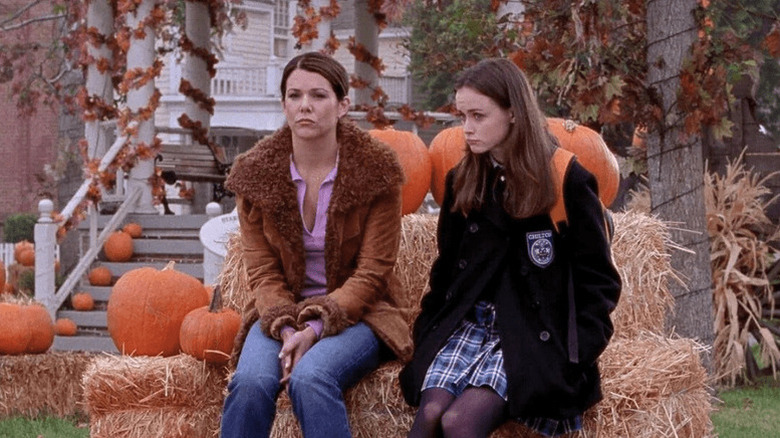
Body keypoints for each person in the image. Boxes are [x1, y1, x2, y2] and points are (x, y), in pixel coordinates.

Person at [399, 58, 622, 438]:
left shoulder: (565, 179)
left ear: (514, 113)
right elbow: (446, 270)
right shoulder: (463, 179)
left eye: (479, 116)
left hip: (531, 333)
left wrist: (575, 355)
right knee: (431, 413)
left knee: (458, 423)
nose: (467, 128)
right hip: (469, 326)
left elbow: (599, 283)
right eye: (462, 116)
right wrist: (427, 332)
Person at [221, 51, 412, 438]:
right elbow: (262, 271)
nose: (305, 106)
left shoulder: (377, 173)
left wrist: (317, 327)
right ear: (283, 104)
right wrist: (289, 329)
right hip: (281, 312)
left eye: (318, 96)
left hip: (358, 313)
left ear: (343, 105)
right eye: (294, 96)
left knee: (311, 377)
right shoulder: (254, 177)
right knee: (250, 383)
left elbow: (373, 273)